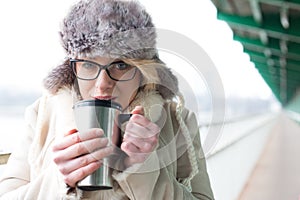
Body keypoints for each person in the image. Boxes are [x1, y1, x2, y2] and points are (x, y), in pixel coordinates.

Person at [0, 0, 214, 199]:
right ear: (73, 68)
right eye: (89, 64)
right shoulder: (42, 114)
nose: (103, 84)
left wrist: (145, 172)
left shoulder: (178, 120)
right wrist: (58, 180)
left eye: (120, 65)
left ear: (142, 70)